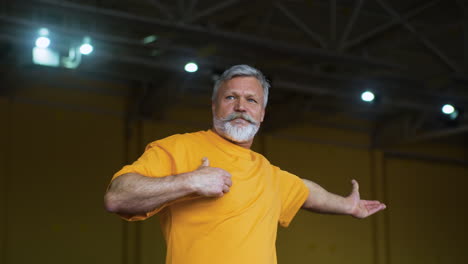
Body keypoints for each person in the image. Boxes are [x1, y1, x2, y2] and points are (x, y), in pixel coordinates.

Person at [104, 64, 386, 264]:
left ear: (261, 114)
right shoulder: (179, 147)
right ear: (214, 107)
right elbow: (118, 197)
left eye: (251, 100)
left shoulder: (268, 173)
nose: (241, 106)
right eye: (230, 97)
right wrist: (190, 181)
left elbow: (306, 192)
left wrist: (347, 205)